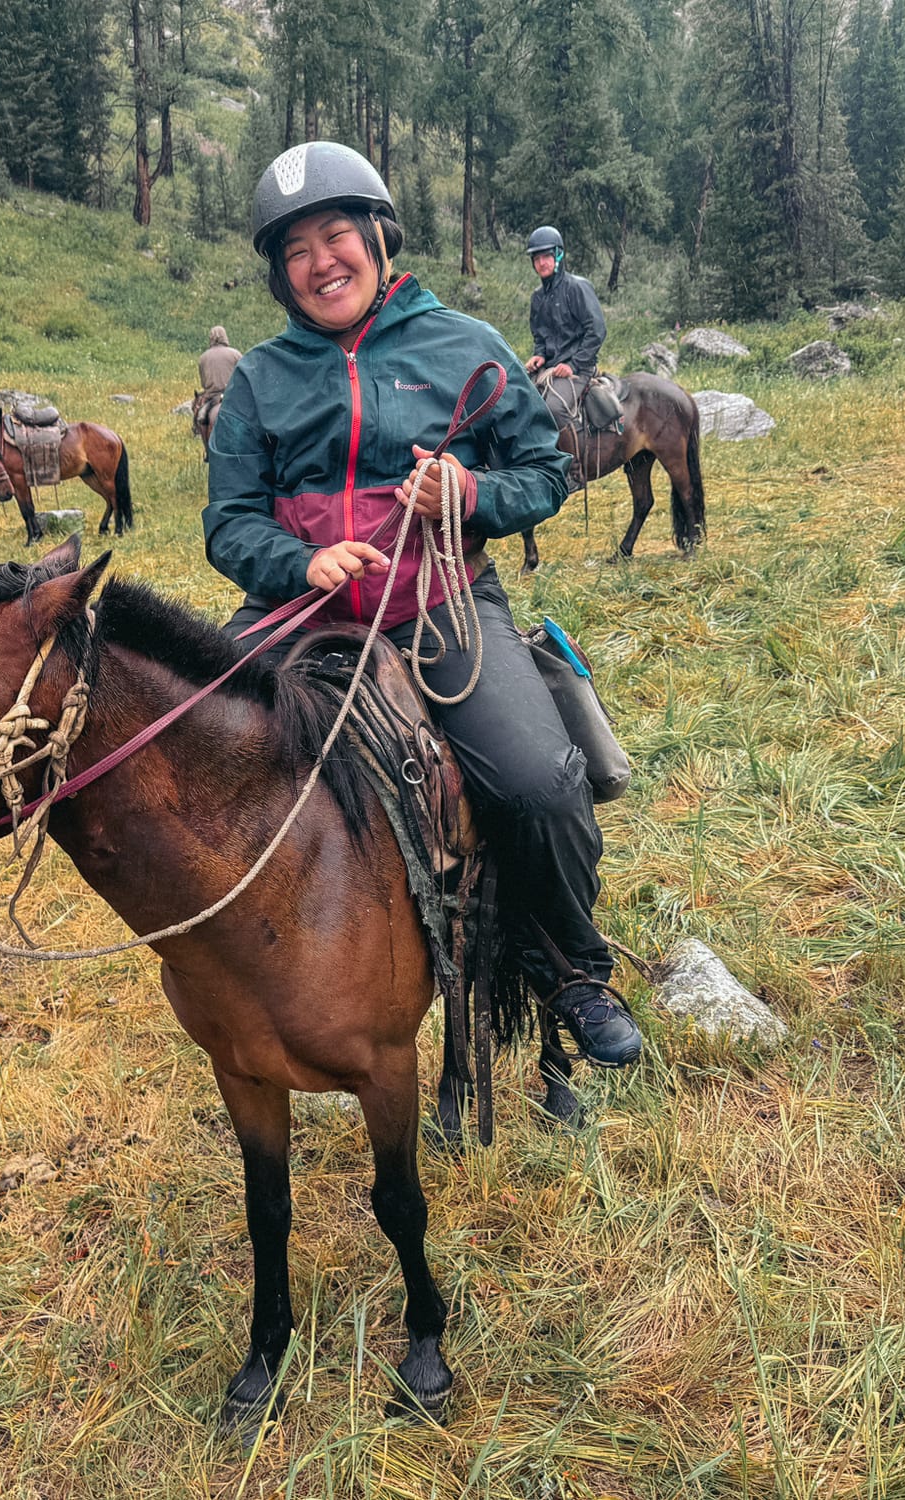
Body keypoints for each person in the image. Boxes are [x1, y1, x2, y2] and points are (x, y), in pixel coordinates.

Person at [202, 141, 642, 1068]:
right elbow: (228, 526)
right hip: (299, 616)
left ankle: (569, 968)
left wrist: (470, 496)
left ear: (378, 235)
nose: (321, 262)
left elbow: (547, 471)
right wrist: (300, 560)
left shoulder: (467, 347)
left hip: (440, 602)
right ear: (281, 277)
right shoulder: (259, 381)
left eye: (336, 236)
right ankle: (239, 971)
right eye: (296, 252)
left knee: (538, 783)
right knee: (193, 763)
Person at [521, 226, 608, 433]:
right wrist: (540, 355)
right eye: (536, 258)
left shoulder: (577, 287)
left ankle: (574, 464)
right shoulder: (538, 297)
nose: (541, 263)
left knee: (553, 408)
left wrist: (573, 364)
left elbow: (596, 330)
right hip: (550, 367)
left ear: (558, 255)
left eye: (546, 256)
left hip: (578, 368)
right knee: (518, 403)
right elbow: (540, 335)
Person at [194, 325, 241, 440]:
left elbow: (204, 384)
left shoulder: (203, 358)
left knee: (201, 418)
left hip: (213, 398)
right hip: (234, 396)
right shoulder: (235, 354)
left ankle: (207, 451)